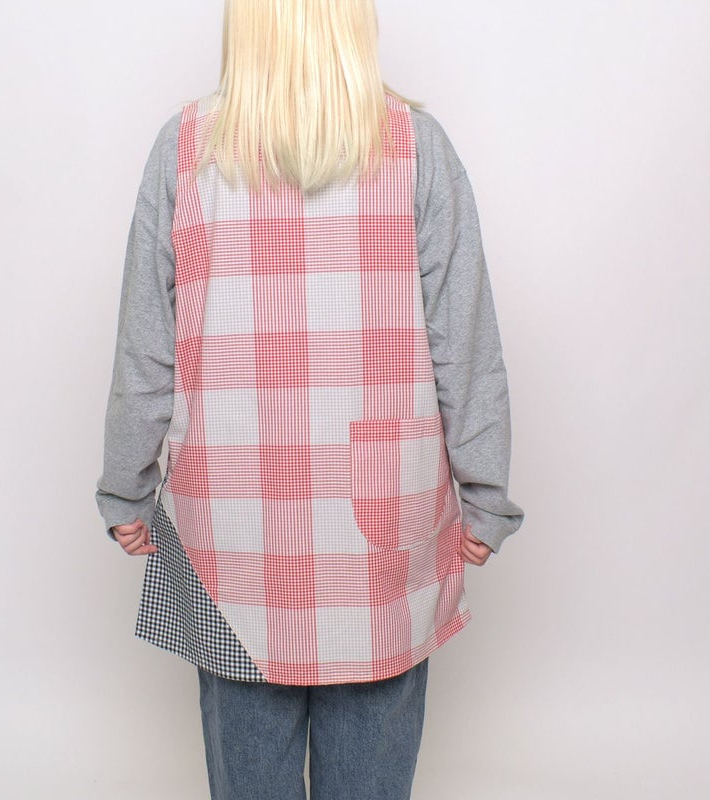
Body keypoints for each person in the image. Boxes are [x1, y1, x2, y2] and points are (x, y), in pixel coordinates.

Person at [96, 1, 524, 797]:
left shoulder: (186, 147)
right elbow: (467, 344)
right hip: (382, 525)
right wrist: (486, 495)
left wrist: (126, 485)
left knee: (247, 769)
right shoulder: (416, 146)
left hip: (231, 530)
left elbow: (145, 346)